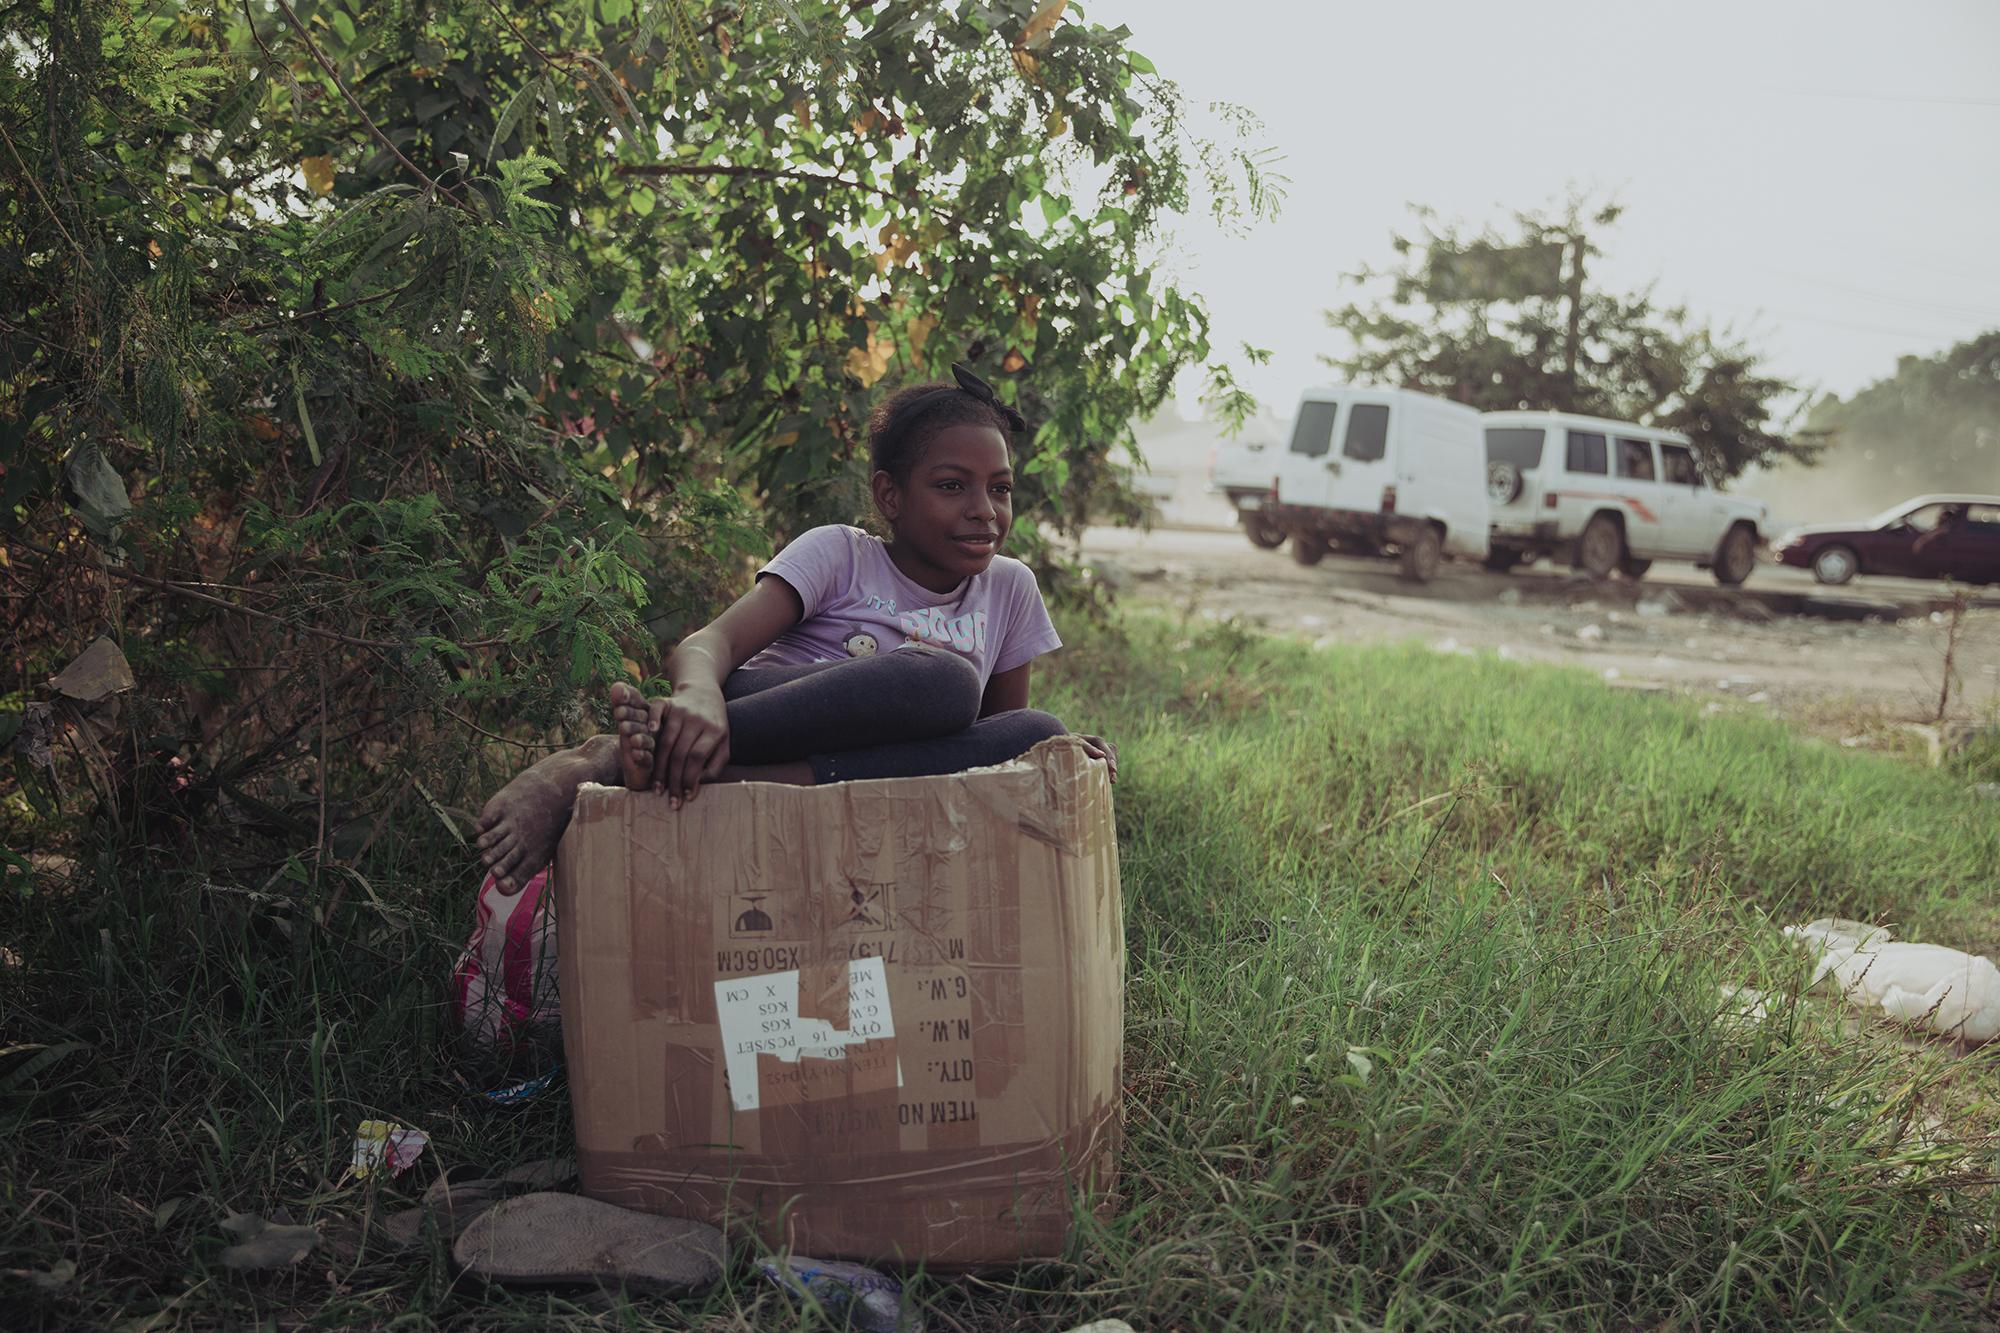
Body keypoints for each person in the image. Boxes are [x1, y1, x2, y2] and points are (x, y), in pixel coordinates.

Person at [472, 364, 1116, 895]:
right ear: (890, 496)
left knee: (1039, 732)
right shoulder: (841, 552)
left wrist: (1053, 759)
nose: (984, 511)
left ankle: (710, 775)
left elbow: (992, 756)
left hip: (861, 778)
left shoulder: (1009, 587)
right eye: (952, 486)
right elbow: (708, 645)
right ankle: (608, 757)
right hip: (759, 709)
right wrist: (697, 699)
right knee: (942, 680)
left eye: (1000, 489)